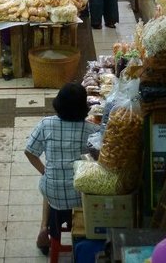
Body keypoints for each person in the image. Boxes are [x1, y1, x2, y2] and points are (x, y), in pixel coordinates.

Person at [25, 82, 99, 254]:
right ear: (83, 107)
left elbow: (29, 152)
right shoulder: (92, 130)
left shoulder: (46, 124)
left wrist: (44, 171)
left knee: (49, 180)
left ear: (58, 104)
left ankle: (44, 227)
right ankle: (81, 233)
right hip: (81, 196)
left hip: (53, 192)